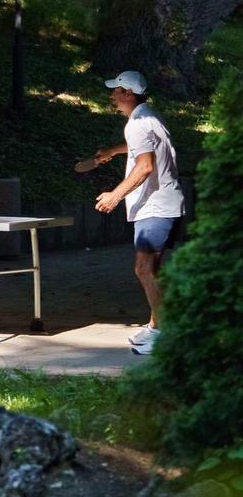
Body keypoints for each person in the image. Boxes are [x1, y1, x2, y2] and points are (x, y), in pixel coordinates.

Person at [93, 71, 184, 355]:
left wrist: (115, 195)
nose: (113, 96)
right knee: (151, 269)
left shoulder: (136, 125)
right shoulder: (148, 117)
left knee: (144, 269)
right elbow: (143, 148)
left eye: (116, 91)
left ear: (128, 94)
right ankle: (158, 325)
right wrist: (113, 151)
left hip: (156, 208)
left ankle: (164, 333)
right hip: (167, 206)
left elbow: (145, 166)